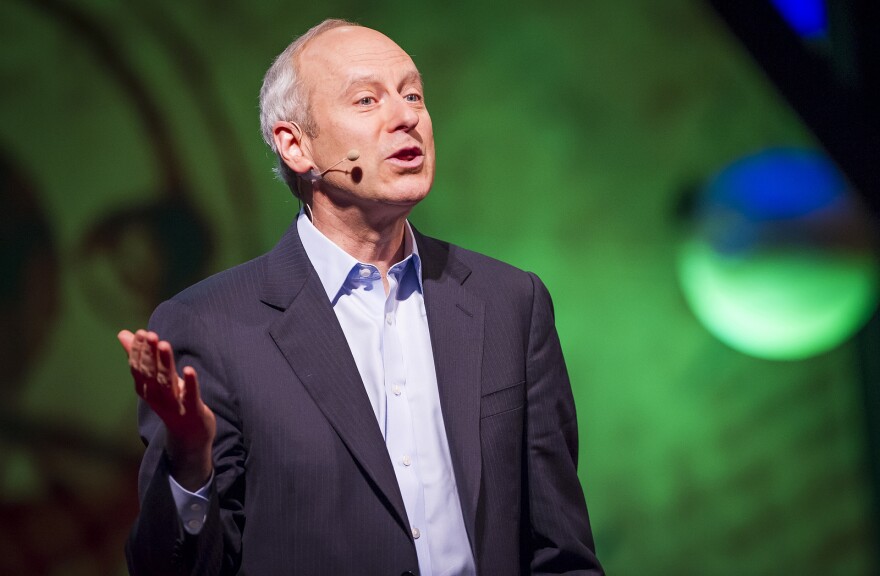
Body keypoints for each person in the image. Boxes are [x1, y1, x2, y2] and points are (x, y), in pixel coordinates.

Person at [119, 18, 604, 576]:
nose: (407, 118)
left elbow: (561, 549)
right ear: (295, 145)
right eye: (367, 100)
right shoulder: (211, 326)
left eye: (413, 95)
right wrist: (189, 464)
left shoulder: (510, 302)